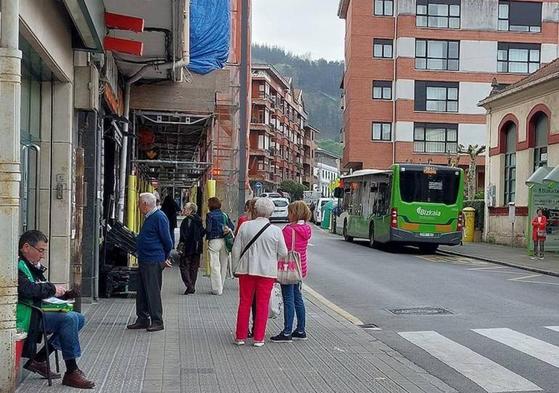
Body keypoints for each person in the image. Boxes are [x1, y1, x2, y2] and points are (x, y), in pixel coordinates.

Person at [16, 230, 95, 389]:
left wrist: (64, 295)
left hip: (38, 310)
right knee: (69, 319)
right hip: (28, 314)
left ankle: (39, 359)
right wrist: (52, 289)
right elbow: (28, 290)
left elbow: (41, 290)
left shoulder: (33, 267)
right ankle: (71, 371)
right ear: (26, 247)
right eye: (41, 250)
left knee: (78, 318)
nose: (43, 255)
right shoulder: (18, 266)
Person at [232, 198, 288, 347]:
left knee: (244, 303)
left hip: (245, 269)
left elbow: (236, 249)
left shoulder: (245, 226)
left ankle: (240, 337)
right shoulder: (275, 230)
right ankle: (259, 338)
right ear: (271, 212)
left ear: (255, 210)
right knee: (262, 304)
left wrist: (234, 268)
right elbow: (283, 252)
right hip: (267, 272)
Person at [127, 193, 173, 332]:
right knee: (142, 291)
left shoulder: (159, 217)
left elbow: (167, 241)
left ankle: (157, 321)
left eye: (139, 203)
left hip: (153, 260)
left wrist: (164, 258)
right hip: (145, 259)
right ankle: (142, 318)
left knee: (152, 291)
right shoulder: (150, 217)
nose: (138, 206)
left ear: (145, 204)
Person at [271, 201, 312, 343]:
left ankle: (287, 331)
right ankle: (300, 330)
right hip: (300, 268)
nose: (287, 215)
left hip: (288, 268)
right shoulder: (306, 229)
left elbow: (280, 249)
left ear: (294, 213)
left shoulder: (289, 230)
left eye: (289, 212)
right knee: (298, 298)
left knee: (288, 298)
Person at [206, 197, 235, 295]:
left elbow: (209, 229)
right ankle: (221, 285)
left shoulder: (210, 215)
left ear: (210, 205)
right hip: (225, 241)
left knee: (214, 265)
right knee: (223, 264)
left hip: (214, 241)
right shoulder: (224, 215)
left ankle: (217, 289)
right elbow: (232, 227)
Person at [178, 202, 205, 294]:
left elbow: (184, 235)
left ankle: (189, 286)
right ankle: (192, 285)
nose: (184, 210)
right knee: (194, 267)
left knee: (184, 266)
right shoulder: (199, 219)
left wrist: (182, 245)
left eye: (185, 208)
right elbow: (202, 233)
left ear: (190, 210)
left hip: (188, 247)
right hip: (197, 247)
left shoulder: (187, 220)